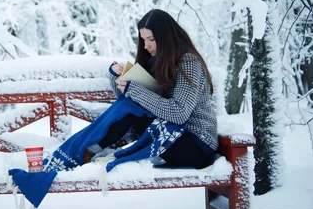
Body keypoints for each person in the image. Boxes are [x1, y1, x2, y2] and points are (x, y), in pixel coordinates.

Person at [83, 9, 218, 169]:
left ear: (166, 38)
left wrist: (134, 90)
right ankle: (88, 151)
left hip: (195, 143)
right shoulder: (156, 61)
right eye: (143, 40)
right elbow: (133, 99)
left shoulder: (188, 63)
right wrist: (117, 77)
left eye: (151, 39)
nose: (146, 45)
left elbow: (179, 113)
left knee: (130, 109)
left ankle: (86, 152)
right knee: (129, 107)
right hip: (170, 134)